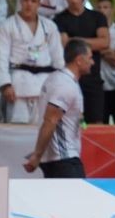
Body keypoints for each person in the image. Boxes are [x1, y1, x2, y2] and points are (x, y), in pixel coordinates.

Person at [0, 0, 64, 123]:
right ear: (20, 1)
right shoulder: (7, 25)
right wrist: (5, 84)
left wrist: (61, 84)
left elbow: (58, 57)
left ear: (39, 3)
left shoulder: (49, 26)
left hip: (44, 83)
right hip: (18, 83)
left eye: (33, 1)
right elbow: (0, 57)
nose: (29, 4)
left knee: (43, 126)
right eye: (26, 0)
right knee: (17, 127)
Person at [23, 39, 92, 177]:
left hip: (59, 159)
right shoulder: (64, 84)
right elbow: (50, 120)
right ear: (79, 60)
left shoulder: (61, 79)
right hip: (64, 160)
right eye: (90, 58)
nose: (92, 62)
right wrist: (37, 155)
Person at [54, 0, 109, 124]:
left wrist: (76, 40)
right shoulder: (59, 19)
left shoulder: (97, 17)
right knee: (69, 123)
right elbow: (65, 45)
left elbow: (104, 42)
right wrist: (92, 42)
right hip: (70, 79)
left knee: (97, 124)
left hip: (93, 78)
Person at [96, 0, 115, 125]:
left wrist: (99, 49)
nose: (102, 10)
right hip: (99, 86)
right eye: (99, 7)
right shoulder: (92, 30)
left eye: (105, 7)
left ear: (112, 10)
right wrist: (107, 51)